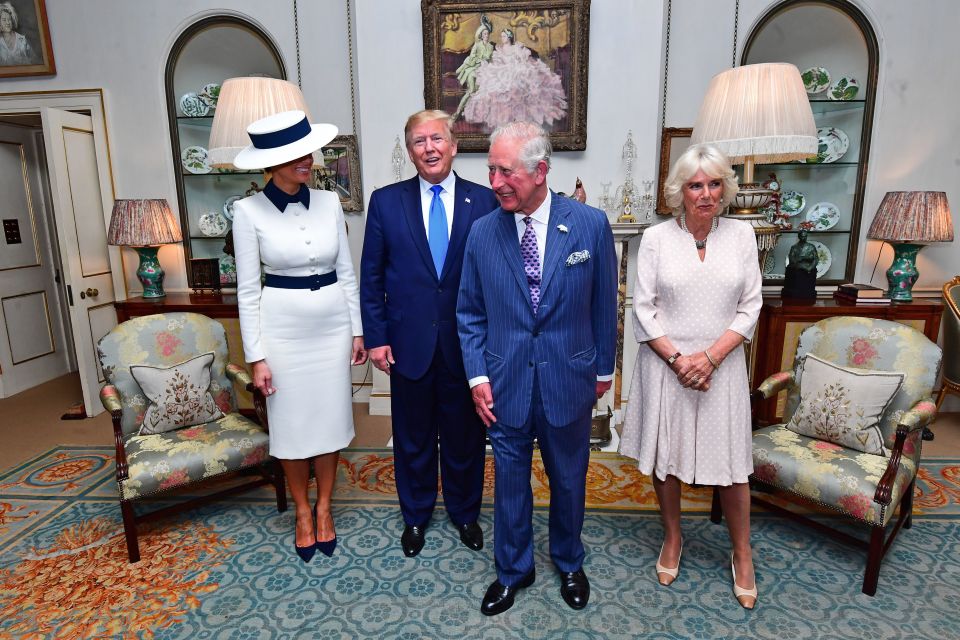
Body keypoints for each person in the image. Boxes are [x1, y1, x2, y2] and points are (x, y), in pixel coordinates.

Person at [457, 122, 617, 615]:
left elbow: (603, 304)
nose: (495, 182)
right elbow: (469, 312)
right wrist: (478, 376)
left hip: (569, 378)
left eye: (506, 171)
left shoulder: (589, 224)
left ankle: (569, 560)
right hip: (505, 382)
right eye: (491, 170)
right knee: (509, 482)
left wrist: (604, 370)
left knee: (569, 479)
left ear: (541, 170)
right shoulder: (483, 232)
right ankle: (513, 569)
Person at [618, 144, 762, 609]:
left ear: (725, 189)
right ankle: (673, 538)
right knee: (668, 458)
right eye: (695, 185)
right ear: (680, 191)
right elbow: (644, 308)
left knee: (733, 467)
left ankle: (742, 554)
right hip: (668, 368)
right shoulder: (657, 238)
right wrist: (681, 360)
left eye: (714, 184)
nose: (705, 194)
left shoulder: (742, 235)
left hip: (722, 368)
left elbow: (751, 306)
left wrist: (711, 358)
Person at [360, 110, 498, 557]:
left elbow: (499, 279)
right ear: (409, 151)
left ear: (454, 145)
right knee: (413, 436)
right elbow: (372, 277)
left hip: (467, 346)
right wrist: (377, 336)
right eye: (419, 142)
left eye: (436, 139)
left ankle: (464, 513)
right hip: (407, 344)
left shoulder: (487, 201)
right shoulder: (385, 202)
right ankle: (415, 516)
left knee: (465, 437)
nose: (429, 149)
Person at [232, 110, 367, 563]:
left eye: (307, 151)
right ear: (271, 163)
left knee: (328, 422)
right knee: (291, 425)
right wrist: (257, 357)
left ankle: (326, 507)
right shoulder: (247, 211)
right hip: (283, 332)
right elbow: (248, 291)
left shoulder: (329, 202)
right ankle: (302, 513)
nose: (308, 160)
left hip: (331, 327)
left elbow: (347, 274)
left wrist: (357, 330)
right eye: (295, 155)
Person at [463, 29, 567, 130]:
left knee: (519, 81)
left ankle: (519, 117)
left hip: (515, 69)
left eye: (504, 36)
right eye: (501, 36)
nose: (502, 38)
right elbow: (497, 61)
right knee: (494, 85)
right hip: (503, 70)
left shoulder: (515, 47)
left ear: (509, 37)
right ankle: (502, 117)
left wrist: (517, 64)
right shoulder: (500, 48)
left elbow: (522, 59)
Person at [452, 22, 494, 121]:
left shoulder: (490, 47)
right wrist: (480, 59)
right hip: (474, 68)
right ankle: (457, 112)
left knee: (486, 91)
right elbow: (472, 57)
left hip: (485, 70)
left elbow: (491, 59)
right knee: (471, 91)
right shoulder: (477, 45)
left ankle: (479, 114)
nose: (486, 36)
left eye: (487, 34)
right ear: (481, 35)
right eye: (484, 34)